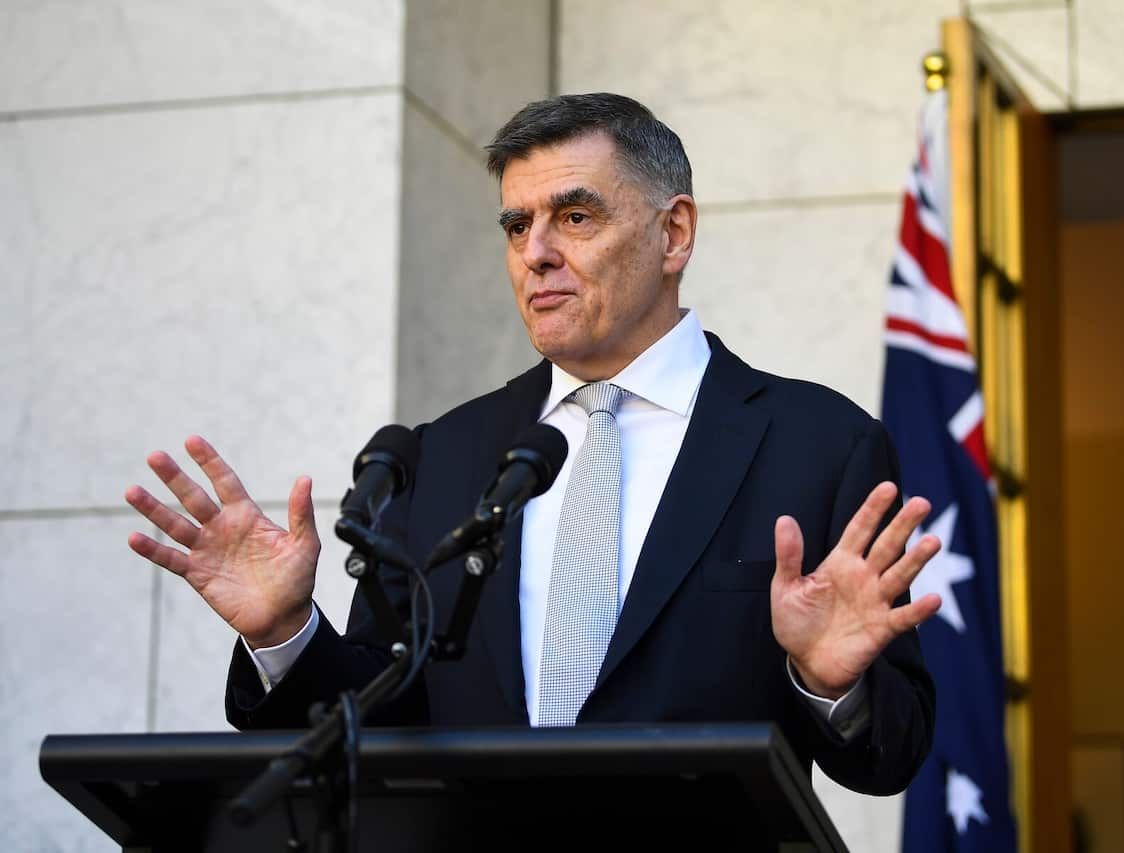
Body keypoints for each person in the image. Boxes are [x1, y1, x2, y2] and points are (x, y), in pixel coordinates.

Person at [124, 93, 942, 795]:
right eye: (517, 225)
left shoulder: (819, 443)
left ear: (675, 233)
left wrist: (830, 682)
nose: (536, 252)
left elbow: (893, 751)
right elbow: (374, 721)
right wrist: (285, 634)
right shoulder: (440, 455)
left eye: (575, 216)